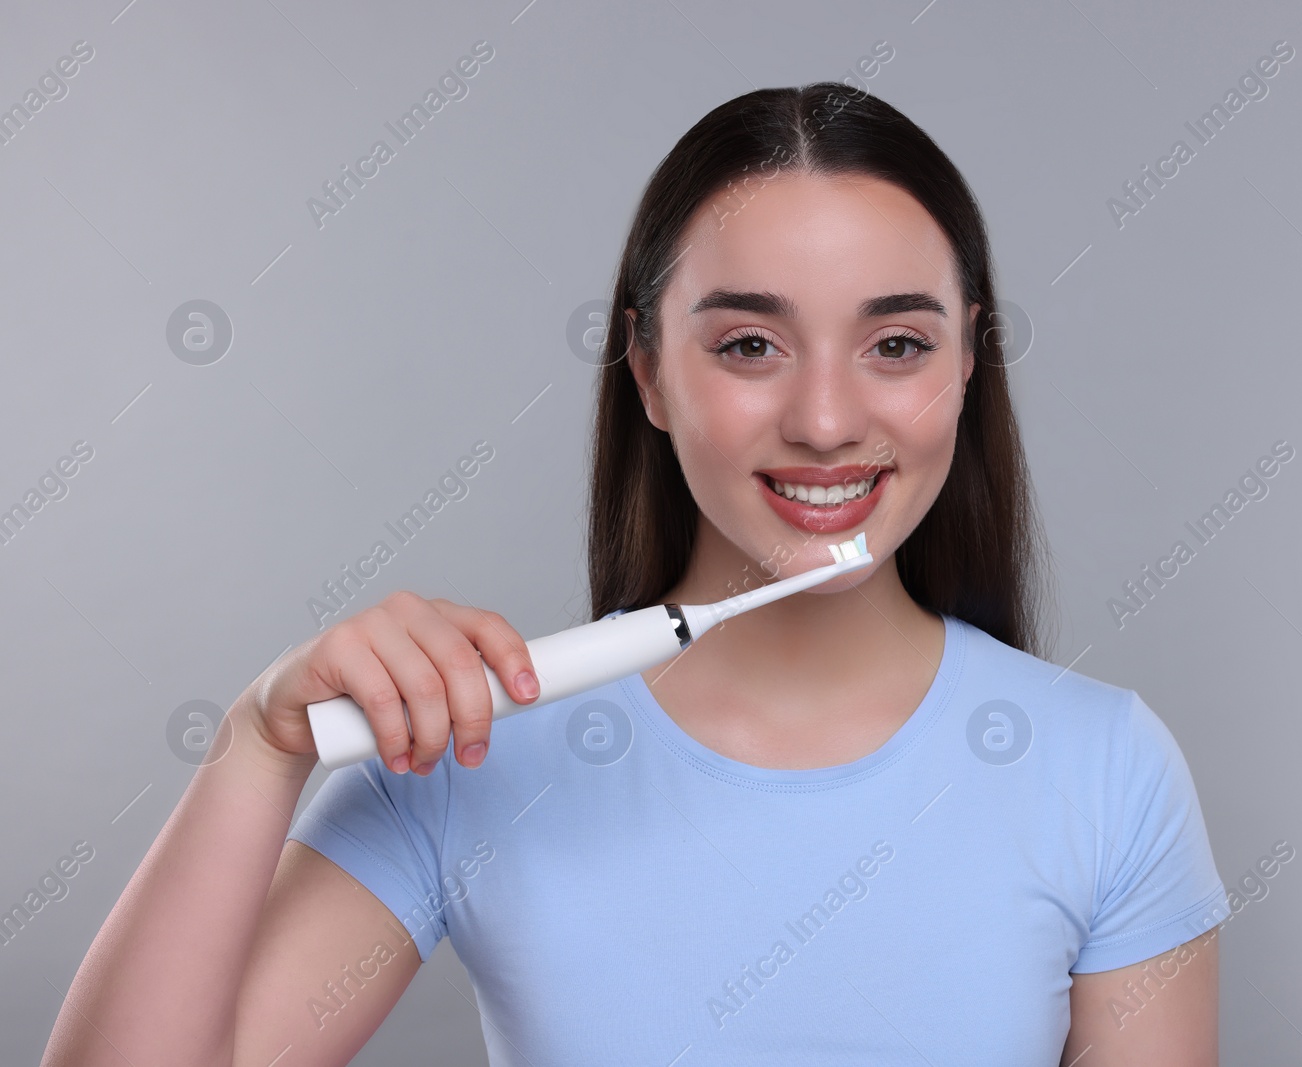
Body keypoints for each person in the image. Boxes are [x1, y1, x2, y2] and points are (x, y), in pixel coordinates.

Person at [43, 82, 1226, 1066]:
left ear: (969, 365)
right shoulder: (476, 752)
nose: (824, 417)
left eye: (897, 344)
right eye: (749, 344)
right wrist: (258, 744)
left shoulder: (1102, 769)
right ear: (650, 374)